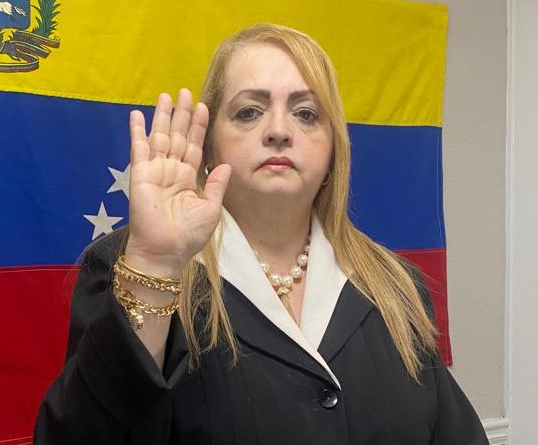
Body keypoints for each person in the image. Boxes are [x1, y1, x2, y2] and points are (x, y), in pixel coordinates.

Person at [34, 23, 487, 444]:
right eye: (249, 112)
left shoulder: (396, 286)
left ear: (334, 146)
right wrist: (154, 265)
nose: (278, 131)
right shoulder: (132, 265)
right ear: (210, 143)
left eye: (306, 114)